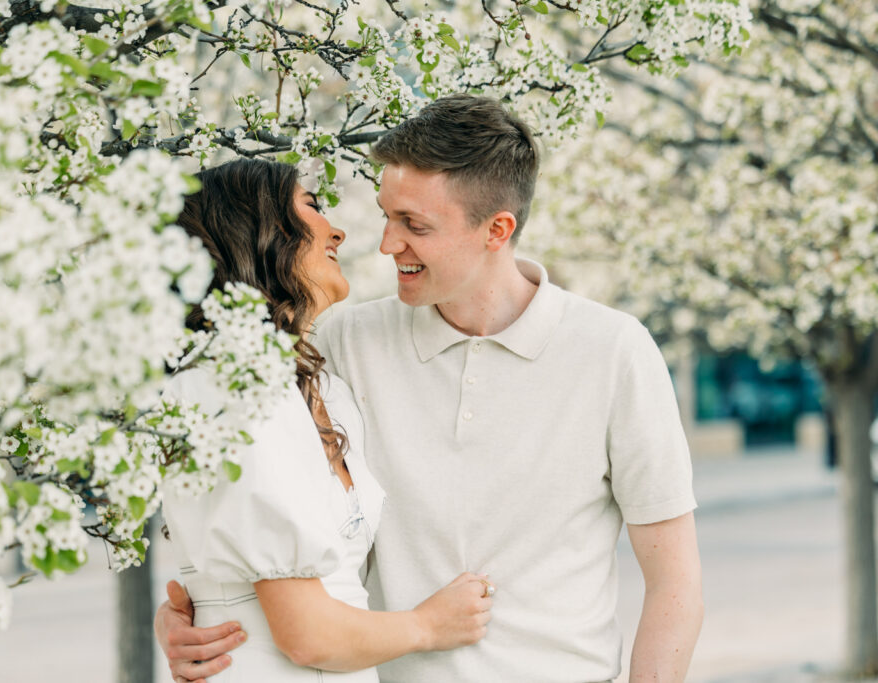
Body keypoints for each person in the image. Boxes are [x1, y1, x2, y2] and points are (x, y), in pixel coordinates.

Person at [157, 96, 703, 683]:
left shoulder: (615, 352)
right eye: (387, 216)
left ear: (497, 230)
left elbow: (674, 581)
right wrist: (199, 609)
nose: (388, 244)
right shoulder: (341, 343)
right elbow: (255, 501)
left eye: (415, 225)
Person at [158, 158, 494, 683]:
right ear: (258, 232)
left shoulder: (321, 389)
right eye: (311, 208)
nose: (337, 229)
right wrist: (430, 626)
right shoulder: (233, 387)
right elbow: (307, 633)